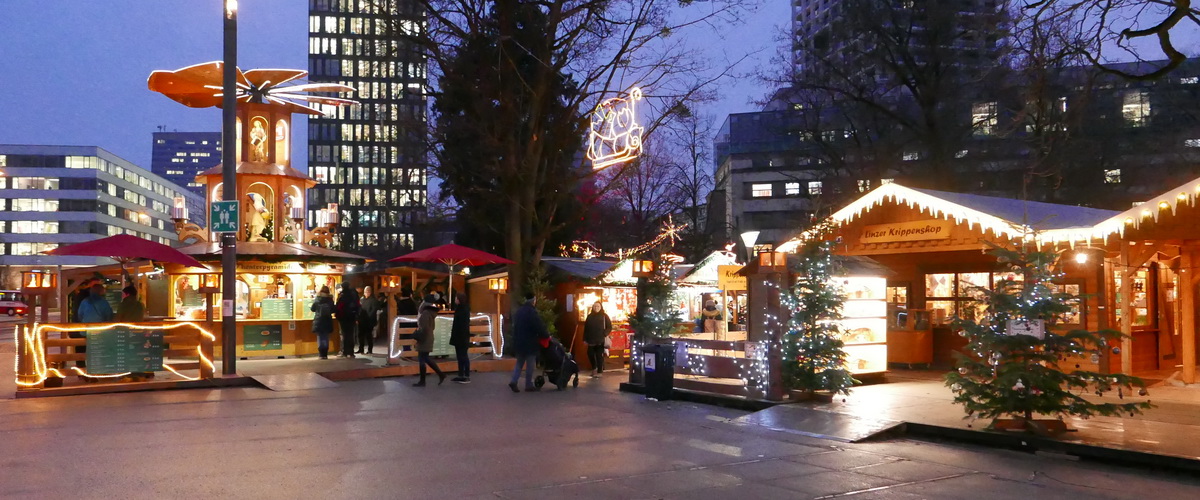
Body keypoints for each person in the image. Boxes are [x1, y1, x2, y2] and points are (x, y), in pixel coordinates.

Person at [509, 292, 549, 393]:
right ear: (533, 300)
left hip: (519, 341)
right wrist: (546, 335)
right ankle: (528, 385)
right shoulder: (532, 312)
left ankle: (514, 380)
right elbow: (538, 326)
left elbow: (515, 328)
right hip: (530, 342)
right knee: (530, 365)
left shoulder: (519, 311)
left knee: (519, 363)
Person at [413, 294, 447, 386]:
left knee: (422, 359)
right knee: (425, 358)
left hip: (424, 338)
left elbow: (423, 328)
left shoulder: (425, 313)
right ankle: (440, 374)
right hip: (428, 337)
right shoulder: (430, 313)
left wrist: (418, 335)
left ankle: (423, 380)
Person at [583, 302, 612, 377]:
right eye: (595, 306)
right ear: (592, 307)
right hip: (591, 339)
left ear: (601, 307)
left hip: (600, 340)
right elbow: (586, 328)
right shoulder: (589, 316)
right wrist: (584, 339)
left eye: (598, 306)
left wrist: (604, 334)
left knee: (599, 356)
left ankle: (599, 372)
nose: (596, 308)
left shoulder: (604, 316)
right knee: (590, 354)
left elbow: (609, 327)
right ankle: (594, 368)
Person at [449, 293, 473, 383]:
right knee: (460, 356)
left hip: (462, 336)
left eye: (456, 298)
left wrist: (460, 335)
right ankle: (461, 374)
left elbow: (463, 325)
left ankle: (466, 375)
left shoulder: (463, 310)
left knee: (463, 356)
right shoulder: (460, 309)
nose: (455, 299)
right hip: (459, 336)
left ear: (459, 299)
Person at [335, 283, 360, 358]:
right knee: (351, 334)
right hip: (352, 317)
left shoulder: (342, 296)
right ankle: (351, 352)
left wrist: (338, 315)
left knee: (344, 334)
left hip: (343, 318)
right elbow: (358, 306)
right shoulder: (354, 295)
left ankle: (344, 351)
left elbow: (339, 307)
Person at [310, 286, 335, 359]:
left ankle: (321, 354)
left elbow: (312, 309)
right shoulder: (330, 300)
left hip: (319, 320)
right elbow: (333, 309)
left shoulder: (317, 299)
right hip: (327, 320)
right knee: (326, 337)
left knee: (320, 337)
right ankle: (325, 354)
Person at [358, 286, 378, 355]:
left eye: (368, 291)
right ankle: (361, 349)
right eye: (365, 291)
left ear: (370, 292)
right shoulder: (362, 299)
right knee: (360, 335)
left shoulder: (373, 300)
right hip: (361, 320)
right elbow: (359, 309)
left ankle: (370, 350)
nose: (366, 293)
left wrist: (368, 317)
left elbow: (373, 310)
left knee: (369, 336)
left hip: (369, 321)